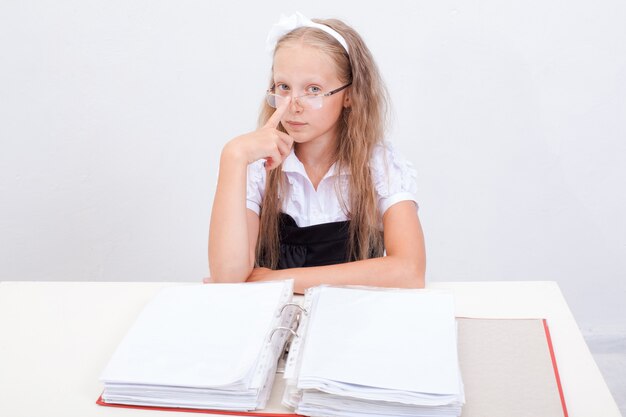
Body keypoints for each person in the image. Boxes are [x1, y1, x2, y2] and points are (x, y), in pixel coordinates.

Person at [208, 12, 425, 294]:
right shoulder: (258, 166)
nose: (293, 105)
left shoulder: (379, 164)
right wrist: (233, 156)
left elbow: (409, 271)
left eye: (313, 90)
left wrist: (273, 279)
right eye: (283, 87)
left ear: (349, 95)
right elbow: (228, 275)